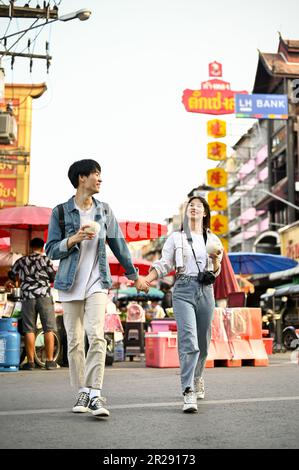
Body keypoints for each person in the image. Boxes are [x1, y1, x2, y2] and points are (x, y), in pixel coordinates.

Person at [45, 159, 148, 418]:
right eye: (96, 174)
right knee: (75, 341)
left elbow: (119, 245)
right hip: (69, 284)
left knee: (97, 334)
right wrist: (73, 239)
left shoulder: (105, 211)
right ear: (82, 178)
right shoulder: (60, 212)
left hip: (97, 281)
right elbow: (50, 249)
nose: (100, 179)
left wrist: (134, 276)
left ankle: (95, 392)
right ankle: (81, 390)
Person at [144, 196, 223, 413]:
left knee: (204, 343)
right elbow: (164, 263)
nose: (194, 208)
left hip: (206, 291)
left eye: (199, 206)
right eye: (191, 206)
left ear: (205, 213)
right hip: (183, 289)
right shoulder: (176, 238)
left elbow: (216, 273)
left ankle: (197, 377)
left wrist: (215, 261)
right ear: (186, 212)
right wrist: (148, 279)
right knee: (189, 340)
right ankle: (188, 390)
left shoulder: (214, 239)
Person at [8, 237, 58, 371]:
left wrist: (20, 280)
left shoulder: (21, 261)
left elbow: (12, 275)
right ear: (42, 248)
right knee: (48, 328)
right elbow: (53, 277)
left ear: (30, 247)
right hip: (44, 296)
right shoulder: (46, 260)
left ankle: (30, 362)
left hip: (28, 297)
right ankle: (50, 361)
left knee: (29, 329)